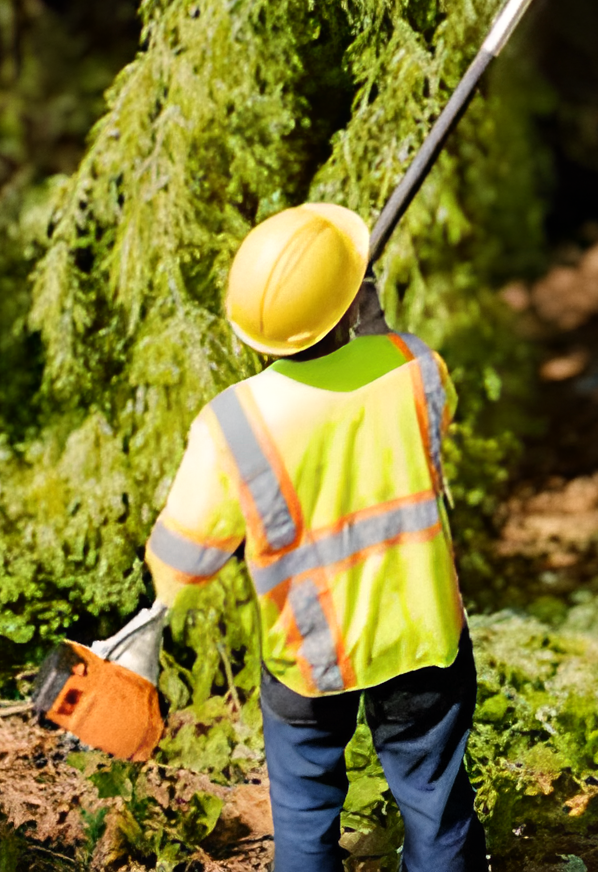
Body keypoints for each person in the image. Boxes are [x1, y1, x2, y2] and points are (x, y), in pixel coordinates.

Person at [141, 202, 487, 872]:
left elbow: (181, 568)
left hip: (309, 655)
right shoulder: (413, 367)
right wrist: (376, 328)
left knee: (304, 821)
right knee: (436, 809)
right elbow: (432, 422)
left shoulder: (233, 423)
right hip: (420, 641)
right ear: (352, 300)